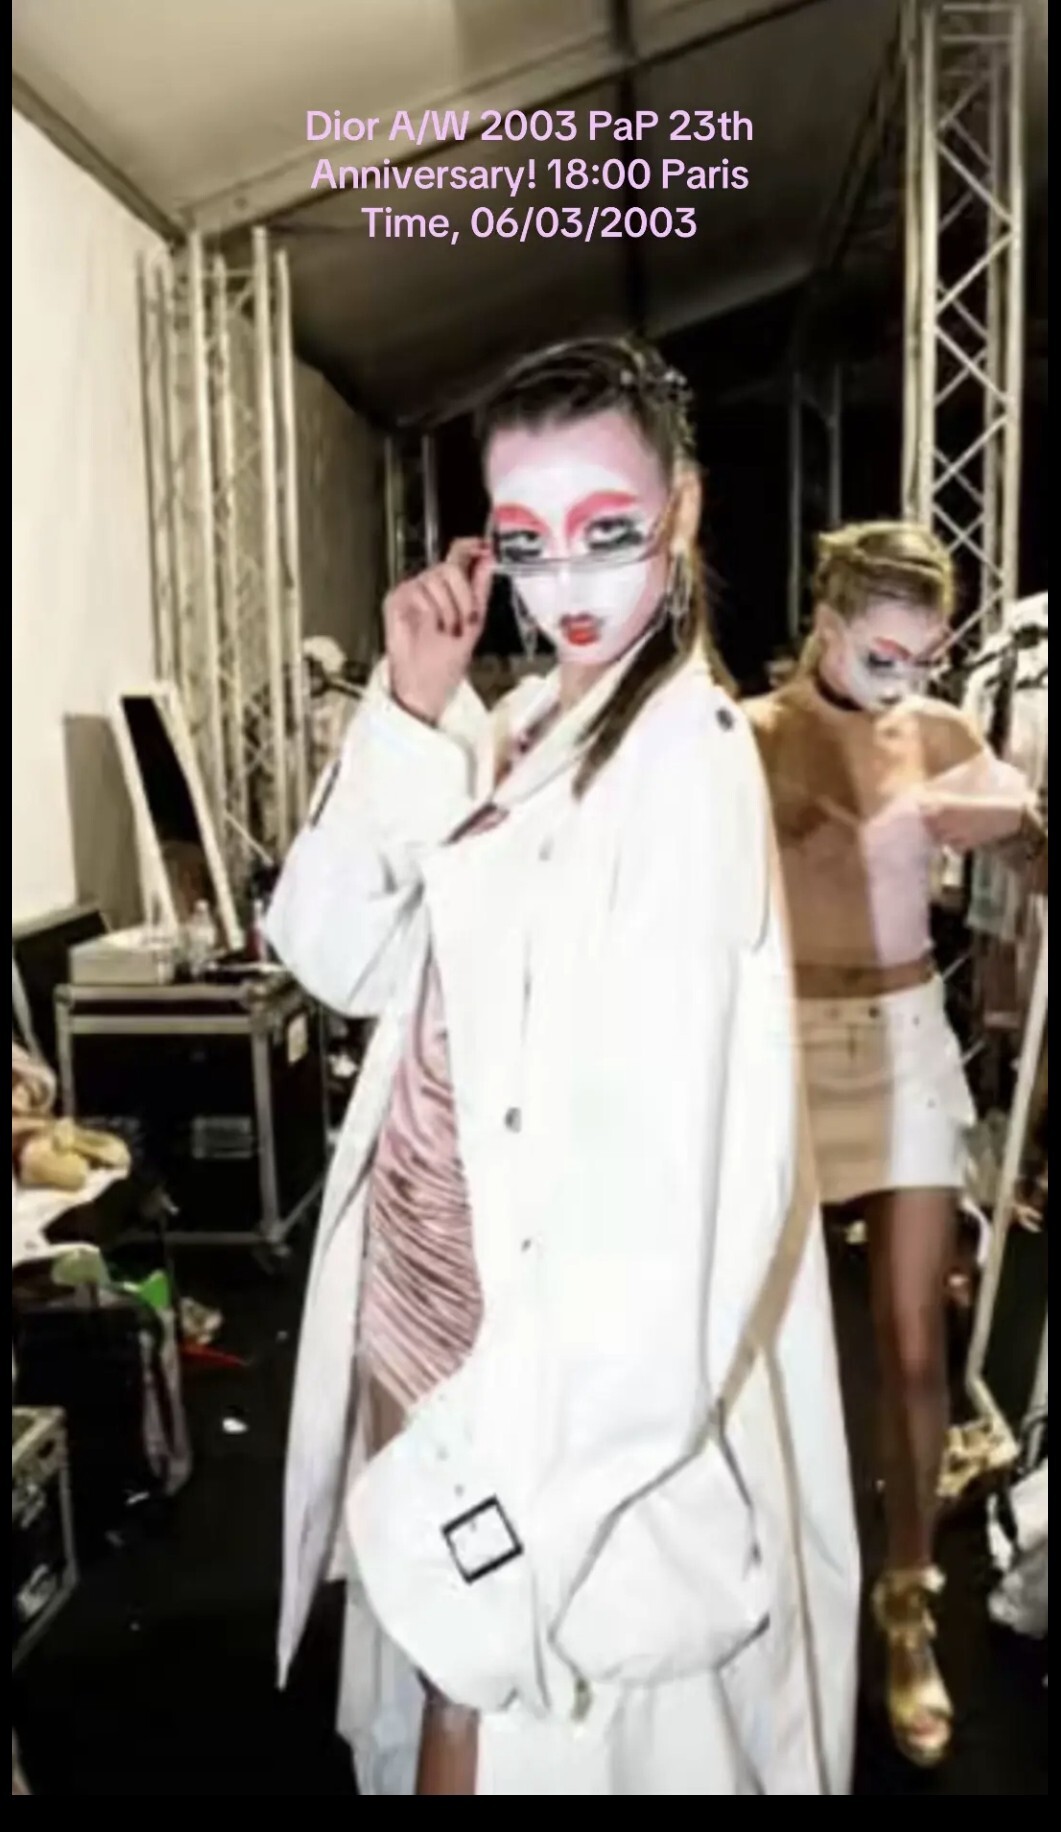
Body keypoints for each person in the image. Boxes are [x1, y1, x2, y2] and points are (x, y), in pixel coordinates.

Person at [267, 337, 859, 1796]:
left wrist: (519, 1489)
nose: (565, 581)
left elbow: (669, 1211)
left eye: (606, 529)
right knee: (429, 1695)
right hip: (420, 1304)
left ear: (683, 511)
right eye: (525, 540)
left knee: (491, 1710)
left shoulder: (684, 766)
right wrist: (409, 708)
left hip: (533, 1372)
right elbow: (338, 956)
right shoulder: (535, 722)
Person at [747, 522, 1046, 1769]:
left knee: (914, 1338)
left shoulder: (936, 730)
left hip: (906, 1033)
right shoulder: (744, 737)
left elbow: (1037, 866)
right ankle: (772, 1587)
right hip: (777, 1044)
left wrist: (1015, 827)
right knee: (767, 1340)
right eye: (882, 651)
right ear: (825, 620)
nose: (903, 676)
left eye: (923, 655)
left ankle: (906, 1603)